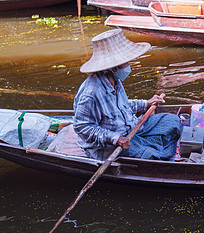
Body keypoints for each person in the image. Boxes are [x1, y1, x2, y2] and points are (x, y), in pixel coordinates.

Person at [73, 29, 181, 161]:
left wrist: (146, 103)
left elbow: (122, 106)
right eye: (126, 63)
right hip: (111, 145)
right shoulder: (90, 93)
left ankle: (150, 144)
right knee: (150, 155)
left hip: (133, 128)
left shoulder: (115, 80)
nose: (128, 66)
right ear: (113, 67)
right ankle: (152, 148)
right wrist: (115, 138)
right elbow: (82, 127)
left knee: (172, 120)